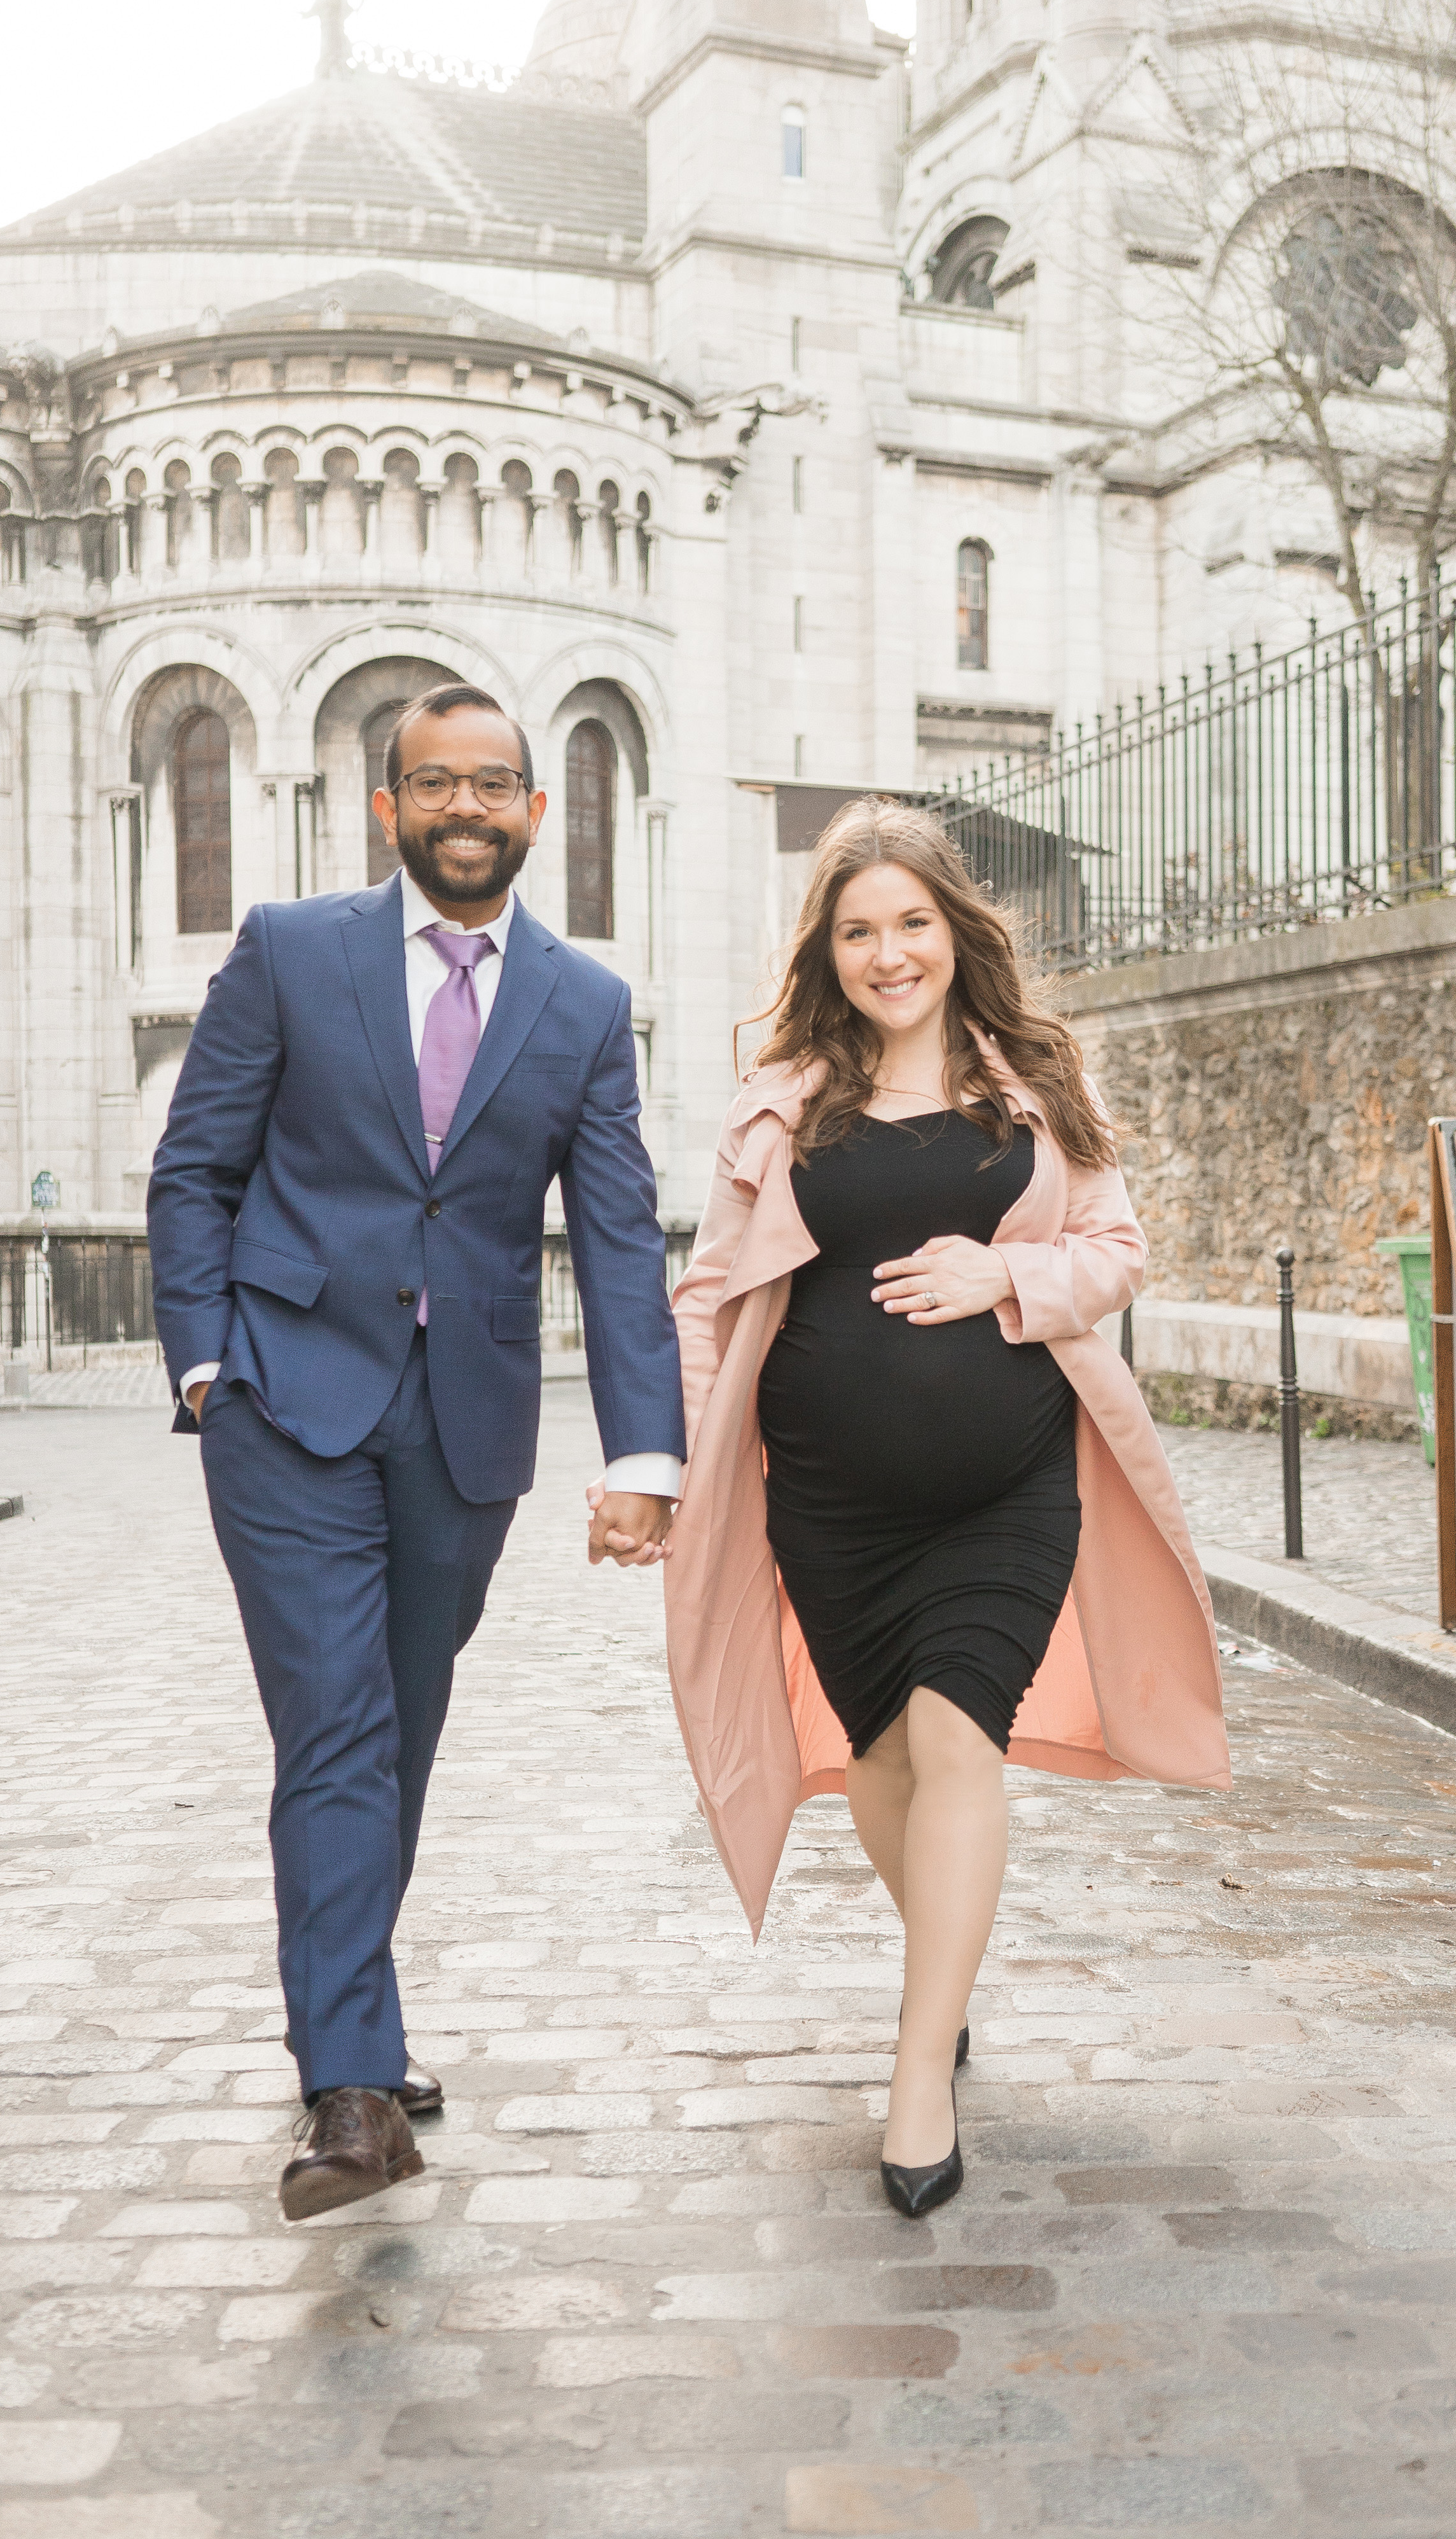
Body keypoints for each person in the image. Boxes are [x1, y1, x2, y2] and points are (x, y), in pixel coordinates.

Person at [149, 683, 683, 2221]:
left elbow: (622, 1238)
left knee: (404, 1722)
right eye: (434, 783)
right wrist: (205, 1365)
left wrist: (644, 1445)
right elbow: (195, 1169)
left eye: (494, 784)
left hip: (467, 1423)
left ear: (531, 808)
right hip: (286, 1397)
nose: (467, 806)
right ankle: (355, 2092)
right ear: (387, 808)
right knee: (335, 1720)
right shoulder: (292, 951)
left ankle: (351, 2006)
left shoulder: (582, 1004)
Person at [655, 801, 1228, 2216]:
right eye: (858, 930)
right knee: (885, 1768)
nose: (887, 951)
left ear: (955, 929)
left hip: (1009, 1484)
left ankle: (920, 2074)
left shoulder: (1034, 1079)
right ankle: (946, 1969)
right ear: (828, 950)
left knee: (958, 1736)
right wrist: (669, 1467)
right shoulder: (783, 1094)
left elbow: (1115, 1246)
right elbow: (711, 1296)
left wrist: (1006, 1279)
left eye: (911, 922)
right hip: (831, 1509)